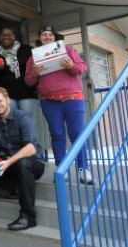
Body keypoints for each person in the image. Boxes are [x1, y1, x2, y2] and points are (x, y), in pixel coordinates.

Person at [24, 26, 92, 184]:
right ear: (40, 38)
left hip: (73, 98)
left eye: (50, 35)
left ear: (55, 38)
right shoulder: (33, 58)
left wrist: (71, 66)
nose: (47, 37)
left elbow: (81, 68)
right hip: (49, 101)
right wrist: (34, 73)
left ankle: (83, 170)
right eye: (44, 34)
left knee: (77, 134)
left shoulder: (68, 50)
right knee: (57, 135)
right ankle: (62, 169)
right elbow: (28, 81)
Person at [0, 87, 45, 231]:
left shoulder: (22, 117)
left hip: (33, 164)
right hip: (11, 164)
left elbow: (31, 148)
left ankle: (28, 216)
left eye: (0, 101)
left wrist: (8, 162)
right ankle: (19, 187)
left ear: (7, 100)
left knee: (23, 163)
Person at [0, 26, 39, 121]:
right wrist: (0, 69)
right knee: (11, 125)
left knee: (26, 124)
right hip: (7, 97)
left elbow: (38, 64)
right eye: (3, 35)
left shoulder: (27, 50)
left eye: (9, 35)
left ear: (14, 36)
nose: (6, 37)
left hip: (27, 94)